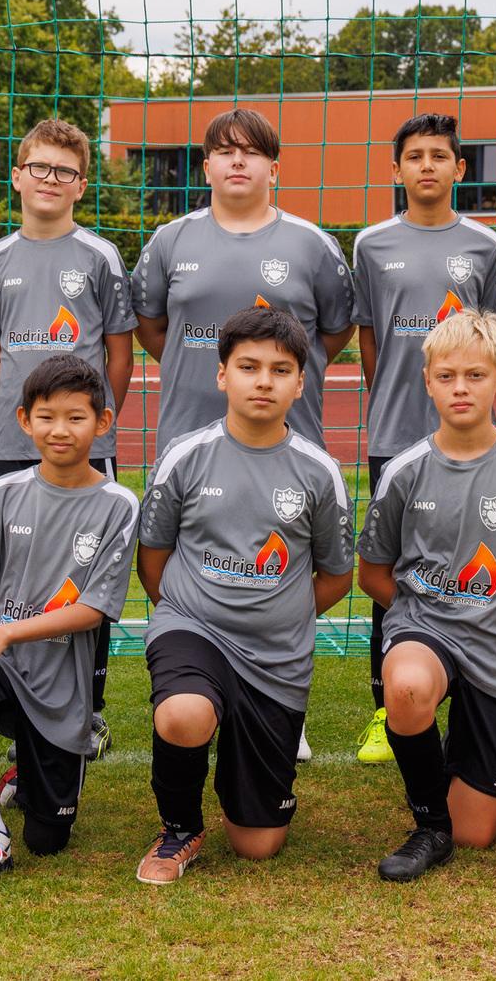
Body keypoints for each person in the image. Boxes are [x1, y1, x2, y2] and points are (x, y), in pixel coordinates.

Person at [133, 307, 354, 885]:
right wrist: (188, 612)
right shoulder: (185, 455)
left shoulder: (319, 472)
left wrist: (276, 615)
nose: (263, 380)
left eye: (280, 370)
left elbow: (335, 576)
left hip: (274, 658)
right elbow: (152, 560)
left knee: (258, 845)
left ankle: (246, 764)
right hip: (194, 629)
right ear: (222, 375)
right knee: (184, 714)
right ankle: (178, 827)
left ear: (301, 384)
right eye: (248, 366)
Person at [360, 310, 496, 883]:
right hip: (425, 629)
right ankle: (428, 826)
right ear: (427, 380)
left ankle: (475, 739)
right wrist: (417, 611)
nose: (461, 388)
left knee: (476, 833)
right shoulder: (405, 471)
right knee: (406, 687)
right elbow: (372, 575)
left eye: (476, 376)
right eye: (448, 376)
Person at [0, 357, 139, 889]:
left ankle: (34, 763)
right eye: (47, 417)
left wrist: (4, 631)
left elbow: (93, 609)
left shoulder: (118, 504)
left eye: (76, 418)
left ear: (103, 423)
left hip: (60, 683)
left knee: (48, 841)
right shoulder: (1, 494)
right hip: (2, 666)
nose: (60, 431)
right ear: (24, 420)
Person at [0, 117, 136, 765]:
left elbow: (117, 356)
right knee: (19, 585)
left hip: (86, 450)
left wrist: (96, 424)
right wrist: (31, 421)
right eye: (38, 167)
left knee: (84, 581)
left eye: (63, 171)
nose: (49, 179)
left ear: (81, 185)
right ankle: (23, 727)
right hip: (19, 447)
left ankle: (87, 711)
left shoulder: (99, 258)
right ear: (18, 176)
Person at [349, 113, 496, 764]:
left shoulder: (485, 246)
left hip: (469, 441)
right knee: (391, 572)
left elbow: (493, 342)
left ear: (458, 169)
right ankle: (388, 712)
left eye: (439, 155)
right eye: (414, 156)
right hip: (395, 432)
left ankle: (472, 693)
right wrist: (392, 389)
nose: (426, 166)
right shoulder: (370, 243)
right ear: (396, 169)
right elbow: (368, 338)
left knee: (468, 563)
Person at [133, 107, 354, 453]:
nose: (237, 161)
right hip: (187, 439)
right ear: (207, 169)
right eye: (224, 152)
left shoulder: (315, 245)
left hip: (290, 441)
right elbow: (148, 327)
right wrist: (192, 359)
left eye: (251, 152)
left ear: (274, 171)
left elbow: (336, 330)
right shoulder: (169, 240)